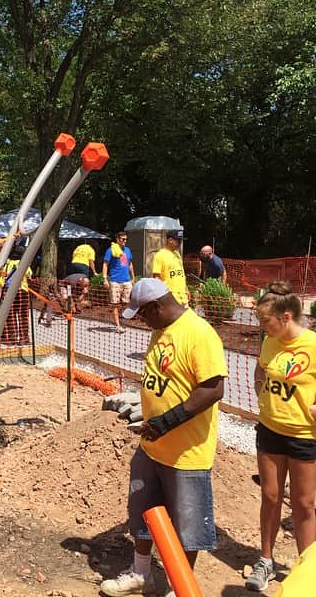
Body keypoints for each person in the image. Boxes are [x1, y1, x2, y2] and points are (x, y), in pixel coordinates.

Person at [100, 278, 227, 597]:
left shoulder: (198, 333)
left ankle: (179, 587)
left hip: (186, 453)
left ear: (157, 307)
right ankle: (142, 572)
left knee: (188, 527)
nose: (142, 321)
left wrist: (168, 421)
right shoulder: (160, 330)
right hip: (152, 446)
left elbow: (213, 388)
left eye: (143, 314)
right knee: (143, 511)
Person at [245, 281, 316, 592]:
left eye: (266, 321)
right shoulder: (269, 341)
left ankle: (306, 570)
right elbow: (261, 370)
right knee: (270, 497)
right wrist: (261, 386)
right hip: (270, 429)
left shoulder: (313, 345)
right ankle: (265, 561)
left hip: (304, 435)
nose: (262, 327)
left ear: (286, 316)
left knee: (304, 504)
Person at [102, 231, 135, 333]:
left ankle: (122, 320)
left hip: (126, 280)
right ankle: (117, 325)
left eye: (126, 239)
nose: (125, 241)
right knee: (115, 304)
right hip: (115, 281)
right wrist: (105, 279)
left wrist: (133, 277)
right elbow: (105, 264)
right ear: (117, 239)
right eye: (122, 239)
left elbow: (130, 264)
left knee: (127, 302)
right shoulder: (110, 250)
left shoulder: (128, 250)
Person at [152, 229, 188, 306]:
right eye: (178, 240)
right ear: (170, 240)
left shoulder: (177, 254)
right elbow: (156, 278)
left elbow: (182, 274)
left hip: (183, 297)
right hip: (170, 298)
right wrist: (163, 295)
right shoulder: (160, 255)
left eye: (181, 241)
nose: (180, 243)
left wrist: (186, 288)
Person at [65, 242, 98, 313]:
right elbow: (91, 261)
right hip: (83, 266)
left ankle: (72, 305)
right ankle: (79, 305)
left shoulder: (78, 247)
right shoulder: (91, 250)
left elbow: (73, 256)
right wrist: (94, 272)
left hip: (73, 265)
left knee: (73, 285)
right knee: (84, 286)